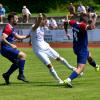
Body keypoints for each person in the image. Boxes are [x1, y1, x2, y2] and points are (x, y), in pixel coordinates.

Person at [30, 13, 76, 84]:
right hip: (39, 51)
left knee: (59, 58)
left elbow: (33, 35)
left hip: (46, 47)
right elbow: (36, 26)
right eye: (45, 20)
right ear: (41, 20)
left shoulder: (42, 28)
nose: (46, 22)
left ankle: (72, 68)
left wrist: (30, 40)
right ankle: (59, 80)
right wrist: (39, 18)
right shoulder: (34, 26)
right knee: (49, 65)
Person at [63, 14, 99, 88]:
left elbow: (65, 22)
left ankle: (96, 66)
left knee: (89, 56)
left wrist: (66, 32)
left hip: (76, 47)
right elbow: (92, 27)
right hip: (81, 49)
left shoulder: (74, 23)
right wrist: (95, 18)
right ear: (85, 20)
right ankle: (68, 80)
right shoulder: (82, 25)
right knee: (80, 68)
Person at [1, 12, 30, 84]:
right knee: (23, 55)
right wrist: (11, 45)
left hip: (5, 49)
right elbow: (2, 39)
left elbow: (19, 37)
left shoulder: (11, 28)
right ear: (11, 19)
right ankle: (21, 75)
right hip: (5, 48)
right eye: (16, 18)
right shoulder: (8, 27)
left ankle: (6, 75)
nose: (17, 20)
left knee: (18, 63)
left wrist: (29, 35)